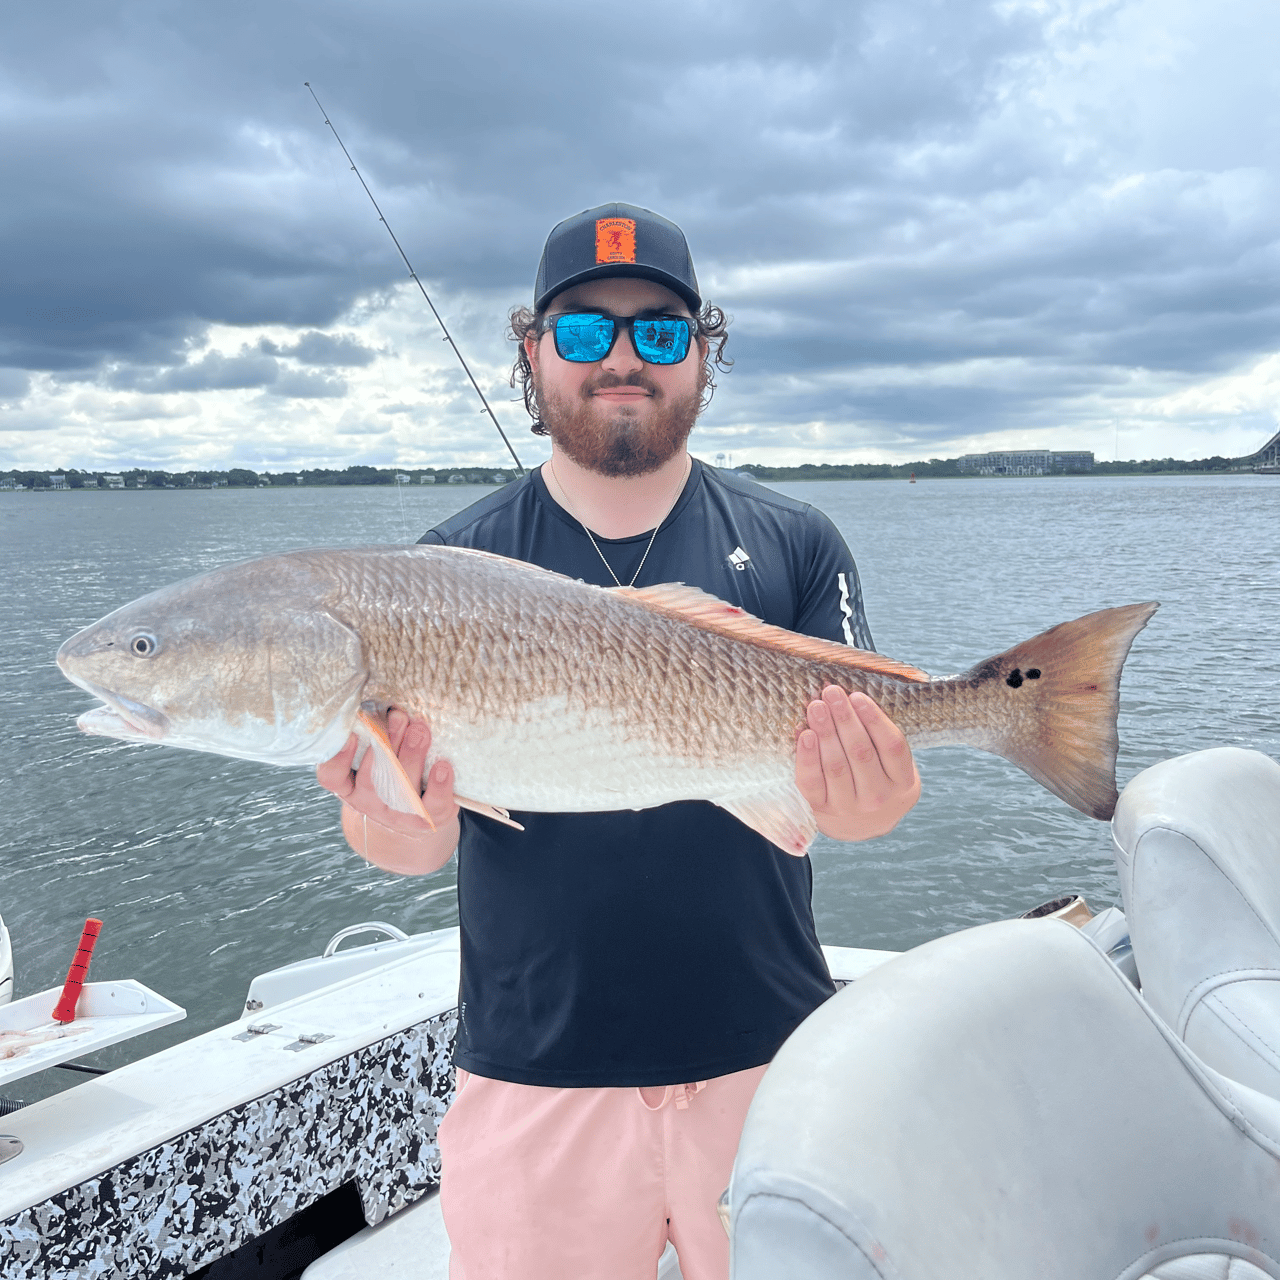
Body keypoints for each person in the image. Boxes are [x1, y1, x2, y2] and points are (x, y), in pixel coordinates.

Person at [317, 203, 921, 1280]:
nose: (622, 359)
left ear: (703, 352)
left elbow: (858, 811)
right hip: (534, 1074)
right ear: (532, 352)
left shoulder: (793, 541)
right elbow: (411, 846)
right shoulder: (445, 565)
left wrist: (866, 790)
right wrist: (385, 811)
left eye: (658, 330)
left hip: (772, 1055)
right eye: (586, 332)